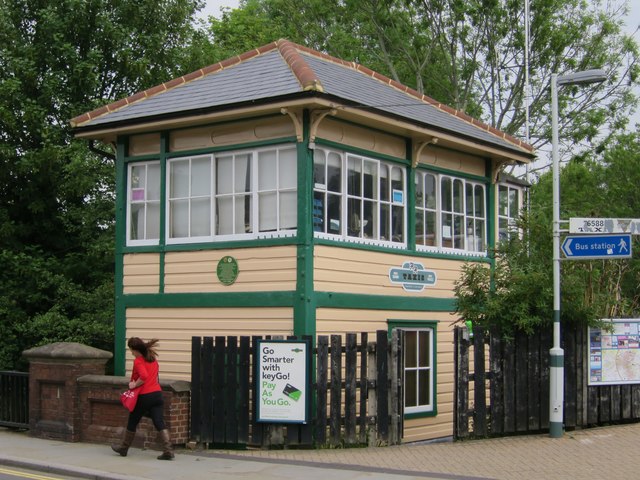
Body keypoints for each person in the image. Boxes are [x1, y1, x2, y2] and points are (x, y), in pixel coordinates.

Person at [111, 337, 174, 460]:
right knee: (159, 422)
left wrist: (134, 384)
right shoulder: (153, 359)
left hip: (144, 396)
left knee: (132, 421)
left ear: (135, 350)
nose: (131, 353)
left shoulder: (138, 361)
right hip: (157, 395)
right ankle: (168, 450)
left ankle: (124, 448)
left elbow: (144, 376)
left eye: (131, 350)